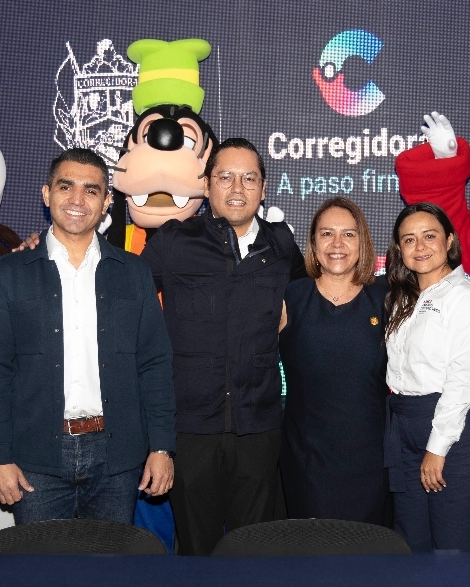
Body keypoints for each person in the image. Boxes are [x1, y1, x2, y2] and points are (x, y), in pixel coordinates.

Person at [0, 148, 176, 525]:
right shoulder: (11, 273)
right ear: (46, 194)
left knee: (108, 559)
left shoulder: (134, 273)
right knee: (41, 559)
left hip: (118, 457)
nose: (77, 199)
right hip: (36, 455)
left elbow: (154, 365)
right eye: (66, 186)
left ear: (106, 201)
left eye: (91, 190)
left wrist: (162, 447)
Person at [139, 137, 307, 555]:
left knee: (254, 554)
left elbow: (316, 295)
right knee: (197, 553)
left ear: (263, 189)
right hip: (191, 430)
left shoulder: (281, 245)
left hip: (258, 428)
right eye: (225, 177)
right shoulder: (174, 241)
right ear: (207, 185)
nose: (237, 188)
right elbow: (118, 285)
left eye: (249, 179)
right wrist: (38, 245)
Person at [383, 202, 470, 552]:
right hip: (403, 425)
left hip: (452, 431)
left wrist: (436, 448)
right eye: (409, 239)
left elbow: (461, 381)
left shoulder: (466, 297)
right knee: (411, 542)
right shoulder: (401, 299)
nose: (420, 247)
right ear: (399, 249)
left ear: (449, 240)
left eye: (429, 236)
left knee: (454, 547)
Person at [277, 197, 389, 524]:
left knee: (367, 551)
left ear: (362, 243)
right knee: (313, 552)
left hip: (371, 461)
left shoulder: (386, 300)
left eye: (348, 234)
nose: (337, 243)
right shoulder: (289, 298)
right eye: (327, 233)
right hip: (306, 462)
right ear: (313, 244)